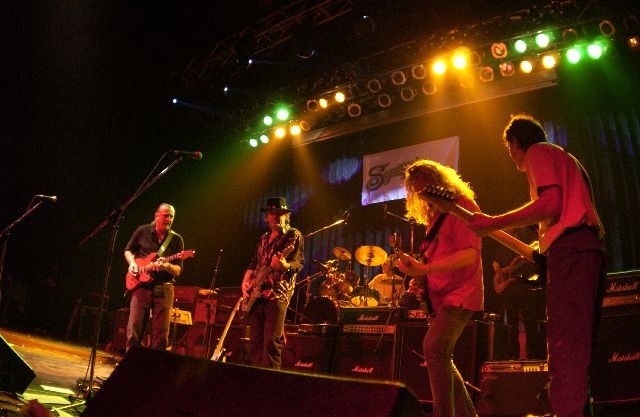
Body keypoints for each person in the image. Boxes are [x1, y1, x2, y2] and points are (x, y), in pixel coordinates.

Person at [468, 114, 605, 417]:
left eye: (510, 149)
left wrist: (493, 222)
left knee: (564, 344)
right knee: (579, 346)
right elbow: (561, 211)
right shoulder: (565, 159)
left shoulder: (537, 152)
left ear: (516, 142)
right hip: (586, 251)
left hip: (571, 253)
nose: (512, 156)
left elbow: (550, 204)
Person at [396, 159, 483, 417]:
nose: (421, 193)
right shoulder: (434, 217)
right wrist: (420, 277)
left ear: (438, 183)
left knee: (434, 349)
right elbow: (437, 258)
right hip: (441, 297)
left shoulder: (463, 207)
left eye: (424, 186)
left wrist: (425, 270)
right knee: (441, 355)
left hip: (461, 294)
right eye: (416, 189)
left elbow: (470, 254)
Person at [241, 197, 304, 369]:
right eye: (271, 213)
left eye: (279, 213)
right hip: (257, 294)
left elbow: (298, 263)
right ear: (266, 217)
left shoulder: (293, 235)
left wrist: (284, 266)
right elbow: (254, 262)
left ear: (286, 216)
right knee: (255, 344)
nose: (275, 216)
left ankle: (270, 381)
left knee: (271, 344)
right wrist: (246, 282)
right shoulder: (263, 238)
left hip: (277, 296)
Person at [124, 203, 184, 352]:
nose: (169, 219)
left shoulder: (176, 240)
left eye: (171, 216)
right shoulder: (142, 231)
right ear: (156, 216)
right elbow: (128, 250)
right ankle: (131, 363)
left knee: (160, 336)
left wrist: (167, 266)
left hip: (164, 289)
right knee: (134, 330)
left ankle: (154, 365)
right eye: (166, 215)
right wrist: (132, 264)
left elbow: (178, 270)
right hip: (141, 287)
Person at [492, 253, 547, 360]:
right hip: (512, 295)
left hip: (524, 292)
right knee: (514, 325)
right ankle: (515, 355)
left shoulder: (514, 265)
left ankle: (531, 354)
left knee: (528, 323)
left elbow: (514, 267)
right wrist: (508, 278)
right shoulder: (500, 272)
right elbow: (498, 287)